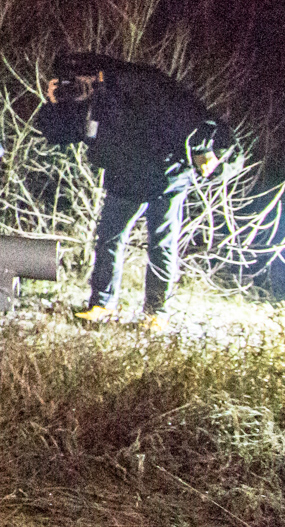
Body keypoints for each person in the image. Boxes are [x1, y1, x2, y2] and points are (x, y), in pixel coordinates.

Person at [35, 52, 230, 330]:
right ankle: (102, 305)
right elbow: (59, 134)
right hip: (125, 174)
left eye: (81, 79)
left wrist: (201, 150)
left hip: (166, 174)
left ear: (96, 73)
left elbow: (184, 114)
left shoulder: (135, 81)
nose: (79, 85)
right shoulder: (87, 99)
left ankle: (156, 312)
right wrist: (55, 104)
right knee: (110, 239)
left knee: (162, 242)